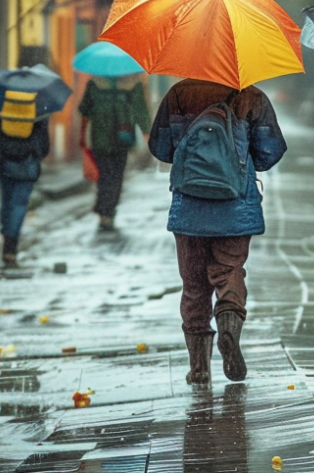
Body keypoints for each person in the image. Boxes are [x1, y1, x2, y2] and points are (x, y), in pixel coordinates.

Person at [149, 78, 287, 385]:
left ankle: (199, 366)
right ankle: (228, 325)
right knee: (229, 271)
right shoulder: (251, 96)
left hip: (189, 206)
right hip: (235, 206)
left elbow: (161, 148)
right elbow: (270, 153)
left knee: (194, 285)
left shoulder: (179, 94)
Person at [78, 76, 151, 231]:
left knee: (104, 175)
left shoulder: (94, 84)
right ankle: (108, 211)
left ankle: (104, 210)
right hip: (122, 137)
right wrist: (147, 132)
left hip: (99, 138)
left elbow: (83, 109)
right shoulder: (132, 84)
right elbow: (140, 110)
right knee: (116, 176)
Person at [0, 91, 51, 268]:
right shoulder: (39, 106)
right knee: (19, 204)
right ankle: (11, 245)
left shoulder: (5, 103)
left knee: (7, 201)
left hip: (6, 162)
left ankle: (6, 237)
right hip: (28, 164)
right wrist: (38, 155)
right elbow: (44, 142)